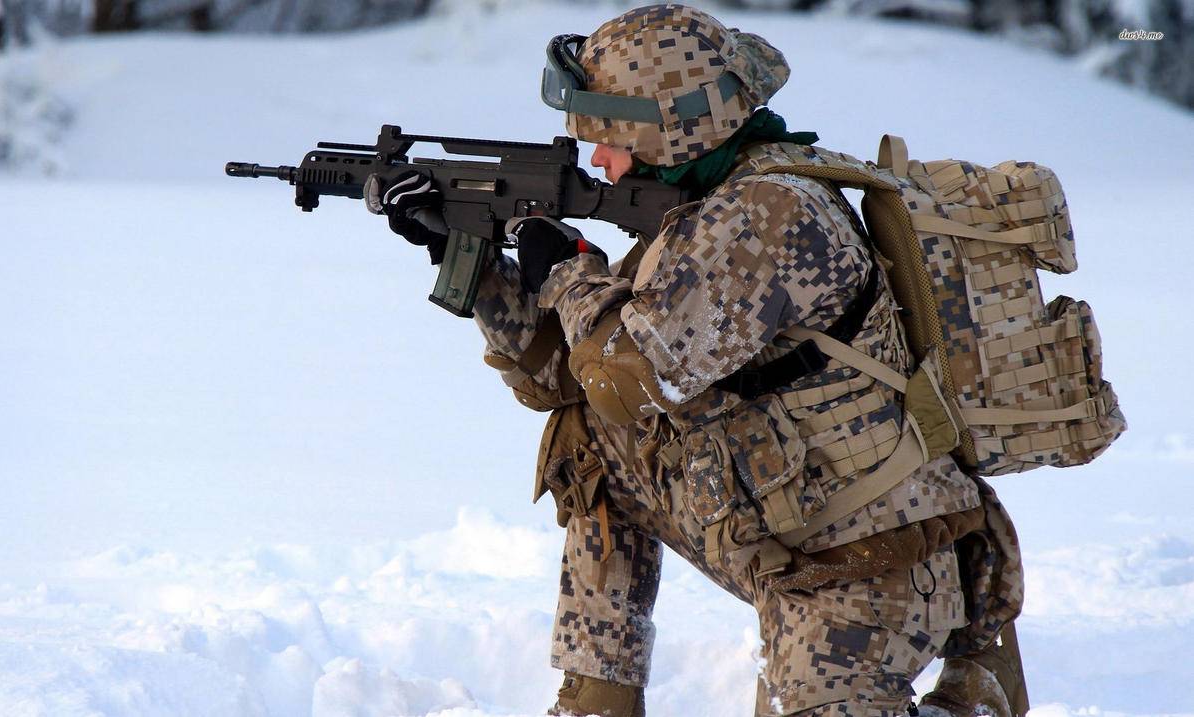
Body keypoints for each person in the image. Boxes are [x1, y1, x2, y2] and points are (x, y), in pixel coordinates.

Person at [367, 5, 1027, 715]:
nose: (596, 157)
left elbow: (631, 377)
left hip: (873, 561)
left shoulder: (767, 217)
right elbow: (563, 379)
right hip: (783, 535)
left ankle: (978, 678)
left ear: (667, 128)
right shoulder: (699, 214)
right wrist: (472, 262)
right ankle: (597, 696)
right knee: (586, 438)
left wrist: (565, 271)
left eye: (608, 133)